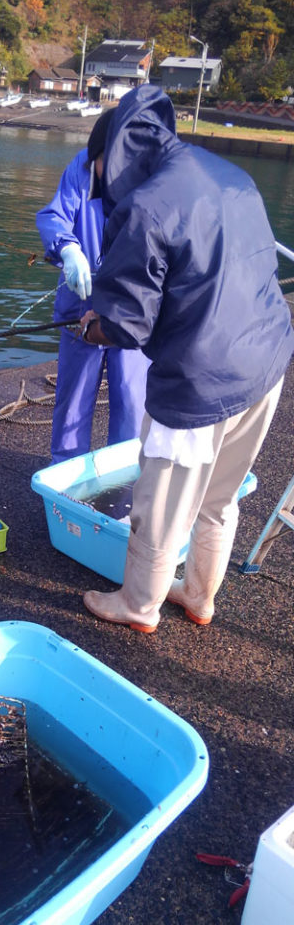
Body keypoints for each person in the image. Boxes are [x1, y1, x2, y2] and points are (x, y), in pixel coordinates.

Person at [78, 84, 294, 632]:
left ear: (116, 154)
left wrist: (92, 327)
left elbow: (128, 324)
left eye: (96, 168)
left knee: (163, 500)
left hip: (203, 380)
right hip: (267, 361)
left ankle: (138, 604)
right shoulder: (228, 174)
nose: (98, 181)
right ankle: (198, 597)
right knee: (219, 498)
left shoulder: (148, 207)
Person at [36, 111, 149, 463]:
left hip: (130, 305)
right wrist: (68, 250)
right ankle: (64, 477)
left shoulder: (148, 181)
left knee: (132, 396)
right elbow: (54, 216)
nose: (105, 170)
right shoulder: (81, 167)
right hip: (78, 298)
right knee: (73, 397)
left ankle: (125, 478)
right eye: (99, 161)